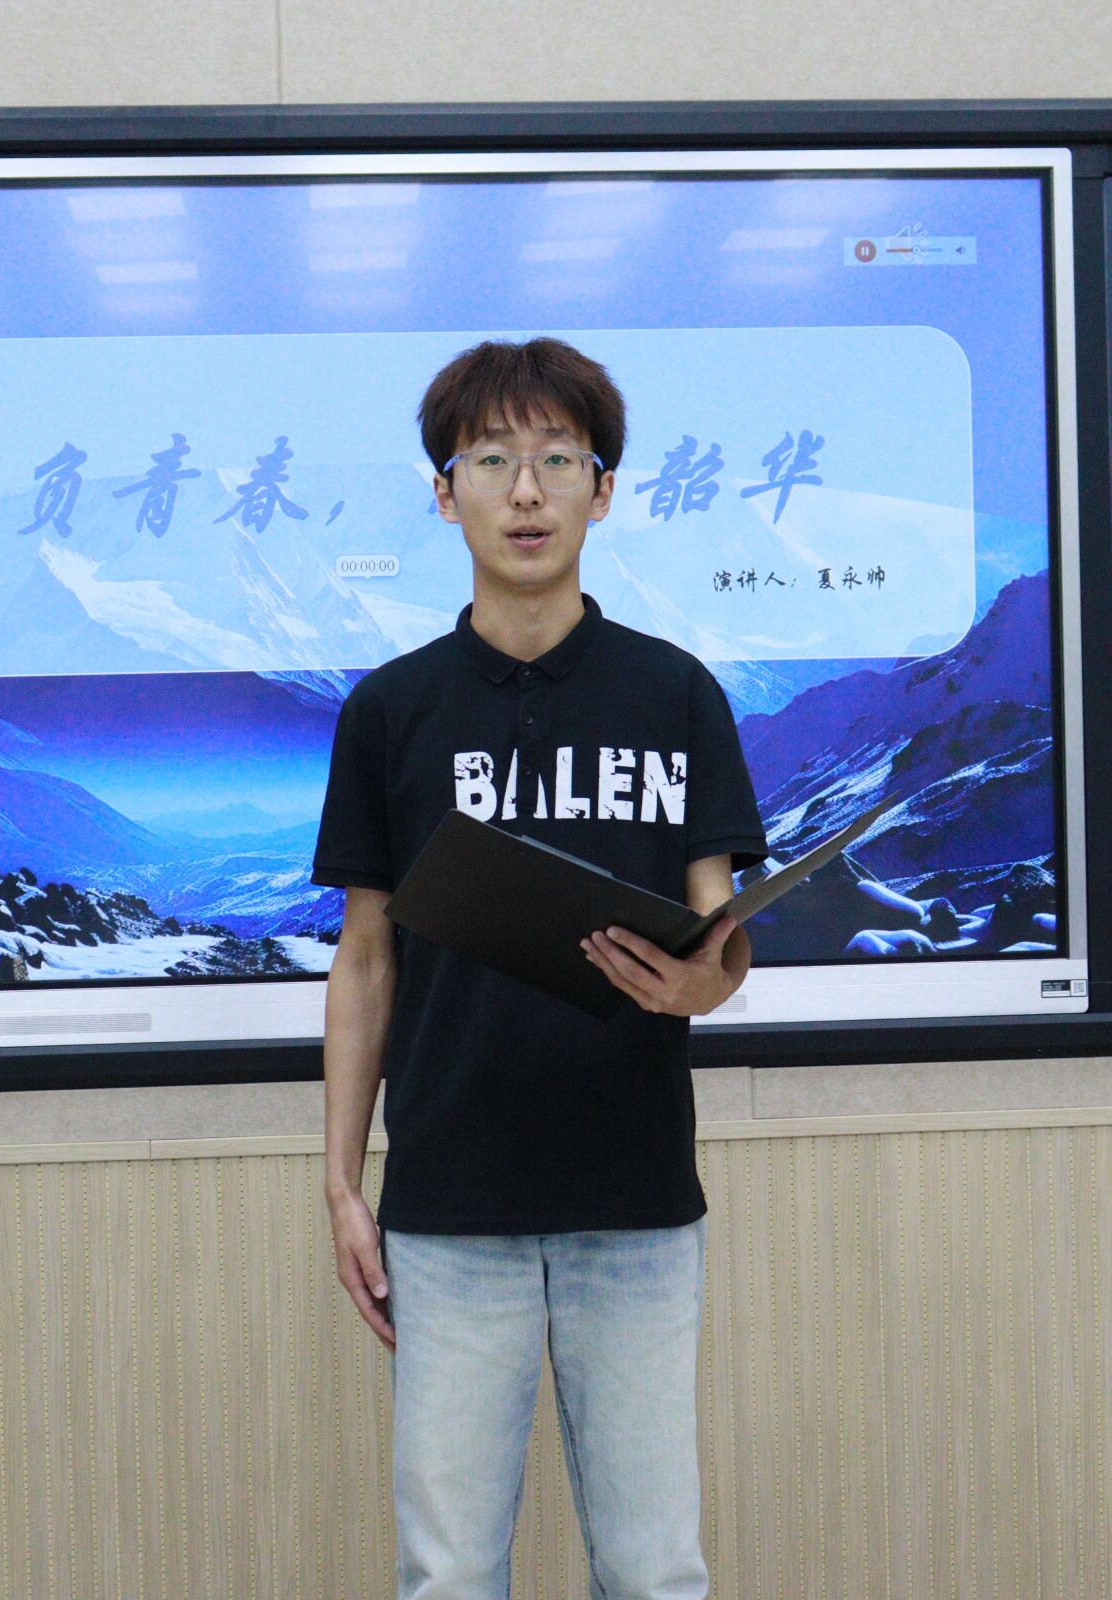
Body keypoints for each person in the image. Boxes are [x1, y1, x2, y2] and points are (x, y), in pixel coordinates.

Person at [312, 337, 767, 1600]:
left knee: (654, 1569)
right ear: (443, 491)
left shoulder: (675, 694)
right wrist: (343, 1182)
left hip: (635, 1196)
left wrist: (703, 984)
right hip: (450, 1206)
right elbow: (363, 959)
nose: (526, 490)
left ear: (602, 492)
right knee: (448, 1571)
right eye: (492, 460)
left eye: (558, 459)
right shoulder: (390, 710)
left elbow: (717, 931)